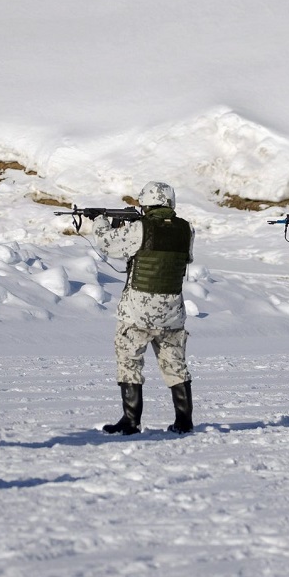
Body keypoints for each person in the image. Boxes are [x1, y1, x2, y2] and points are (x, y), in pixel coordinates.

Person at [93, 181, 196, 434]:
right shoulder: (186, 229)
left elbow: (108, 245)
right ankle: (184, 421)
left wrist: (99, 221)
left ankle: (130, 421)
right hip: (172, 311)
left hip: (138, 311)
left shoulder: (140, 227)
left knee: (129, 362)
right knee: (175, 364)